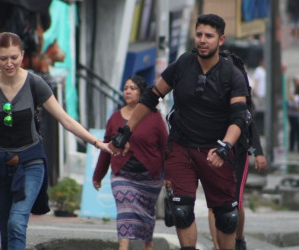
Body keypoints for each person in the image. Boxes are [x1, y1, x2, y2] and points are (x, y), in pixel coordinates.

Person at [0, 32, 112, 250]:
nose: (9, 63)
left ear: (22, 55)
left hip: (30, 162)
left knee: (16, 223)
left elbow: (65, 120)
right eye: (3, 59)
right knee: (5, 230)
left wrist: (98, 143)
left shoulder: (35, 83)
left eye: (14, 57)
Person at [109, 14, 249, 250]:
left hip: (216, 150)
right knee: (182, 210)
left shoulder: (231, 74)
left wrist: (225, 145)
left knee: (226, 216)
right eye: (199, 35)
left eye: (209, 36)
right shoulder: (184, 64)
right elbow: (151, 96)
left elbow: (239, 117)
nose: (203, 40)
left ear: (221, 39)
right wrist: (127, 131)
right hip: (182, 147)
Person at [93, 76, 168, 250]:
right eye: (126, 88)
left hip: (150, 176)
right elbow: (107, 149)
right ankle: (123, 247)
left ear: (142, 92)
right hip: (122, 174)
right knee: (125, 209)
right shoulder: (115, 118)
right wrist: (98, 175)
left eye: (132, 88)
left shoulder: (155, 117)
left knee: (146, 215)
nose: (127, 91)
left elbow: (166, 147)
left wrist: (170, 175)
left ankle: (148, 245)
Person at [208, 120, 267, 250]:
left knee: (234, 201)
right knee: (214, 202)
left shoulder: (240, 101)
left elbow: (250, 124)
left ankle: (239, 239)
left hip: (239, 151)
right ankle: (217, 246)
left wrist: (258, 152)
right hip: (213, 148)